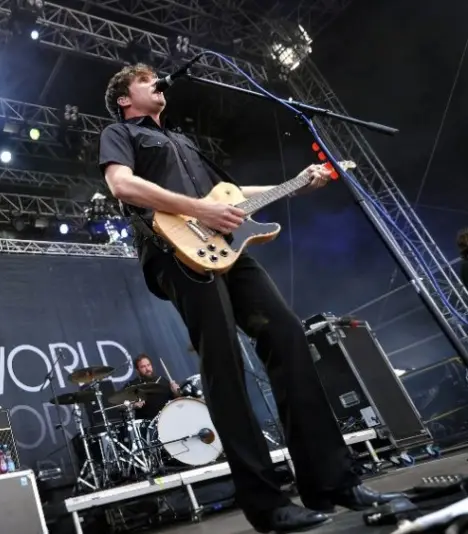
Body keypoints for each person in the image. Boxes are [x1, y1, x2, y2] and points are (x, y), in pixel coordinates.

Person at [98, 64, 404, 533]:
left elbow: (232, 196)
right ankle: (266, 504)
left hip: (226, 248)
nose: (158, 81)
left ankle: (333, 481)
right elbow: (122, 185)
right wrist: (199, 209)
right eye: (146, 79)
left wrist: (295, 183)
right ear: (125, 98)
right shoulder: (120, 133)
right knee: (222, 360)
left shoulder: (182, 139)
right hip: (174, 250)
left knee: (288, 337)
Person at [123, 354, 180, 420]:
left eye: (148, 365)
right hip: (148, 423)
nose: (147, 369)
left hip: (169, 418)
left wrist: (176, 393)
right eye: (143, 367)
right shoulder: (132, 385)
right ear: (137, 370)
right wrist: (133, 405)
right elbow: (121, 404)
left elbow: (176, 400)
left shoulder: (162, 380)